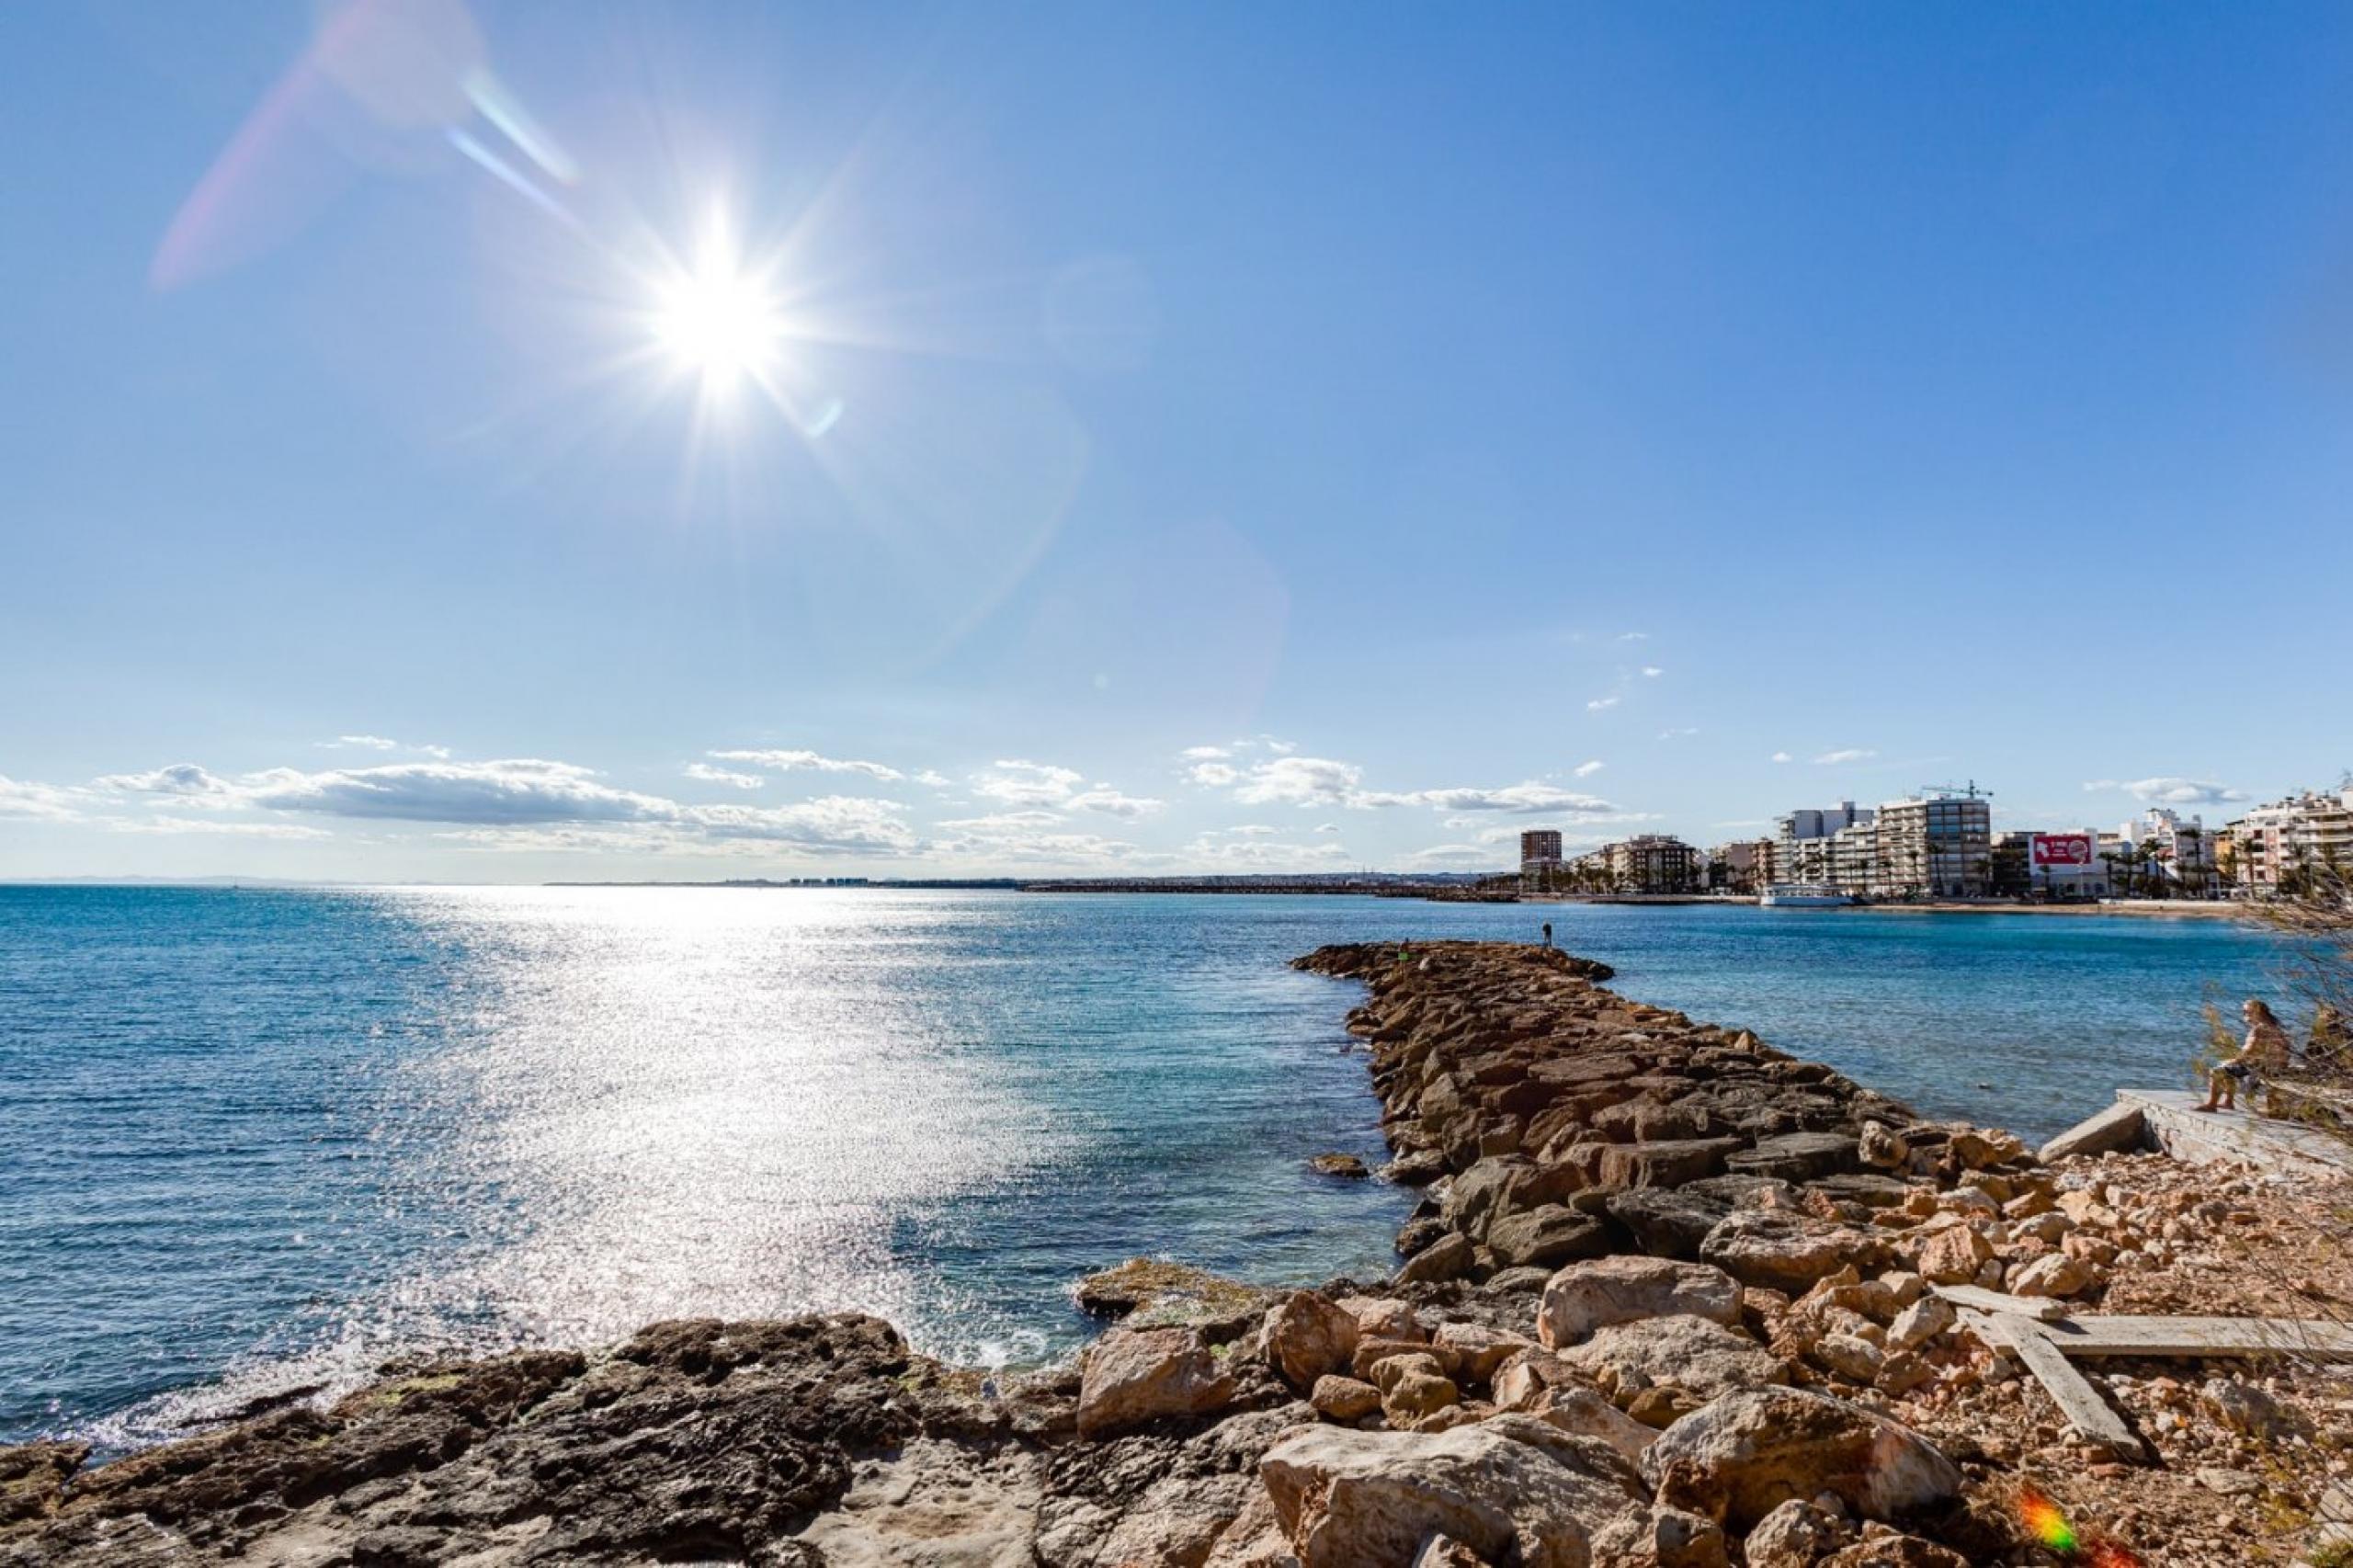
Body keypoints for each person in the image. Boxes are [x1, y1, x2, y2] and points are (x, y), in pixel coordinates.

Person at [2200, 998, 2291, 1112]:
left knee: (2217, 1071)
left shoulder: (2259, 1029)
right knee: (2229, 1068)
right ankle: (2228, 1102)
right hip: (2277, 1067)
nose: (2244, 1015)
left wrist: (2233, 1061)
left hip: (2262, 1068)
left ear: (2257, 1012)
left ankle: (2211, 1105)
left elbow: (2248, 1053)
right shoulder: (2275, 1027)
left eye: (2246, 1012)